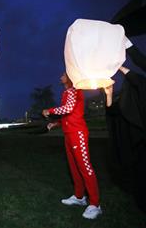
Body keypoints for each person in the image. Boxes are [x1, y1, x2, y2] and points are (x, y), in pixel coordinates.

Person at [43, 73, 102, 220]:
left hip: (78, 134)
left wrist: (49, 111)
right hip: (69, 134)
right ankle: (79, 197)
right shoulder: (67, 92)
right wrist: (56, 123)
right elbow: (70, 114)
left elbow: (68, 108)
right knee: (74, 168)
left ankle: (95, 204)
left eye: (63, 74)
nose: (60, 76)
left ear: (70, 77)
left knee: (85, 167)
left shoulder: (74, 90)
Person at [104, 66, 146, 214]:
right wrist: (108, 94)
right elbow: (113, 112)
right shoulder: (129, 100)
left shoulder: (140, 88)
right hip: (137, 147)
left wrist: (118, 65)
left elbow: (139, 82)